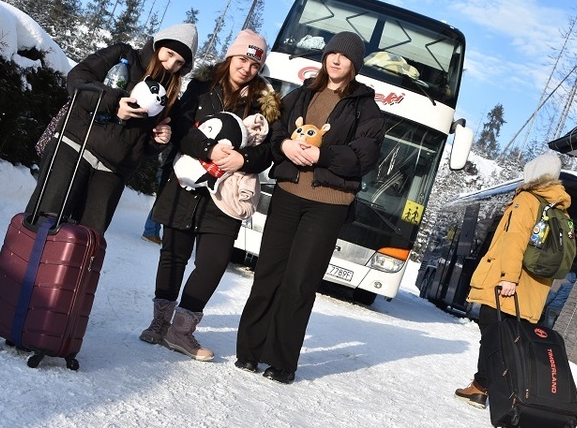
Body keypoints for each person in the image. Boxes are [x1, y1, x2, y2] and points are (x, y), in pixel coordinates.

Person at [235, 32, 387, 384]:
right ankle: (249, 351)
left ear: (354, 64)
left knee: (300, 282)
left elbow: (365, 155)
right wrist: (285, 144)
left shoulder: (366, 107)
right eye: (332, 52)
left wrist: (323, 155)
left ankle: (282, 362)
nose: (335, 60)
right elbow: (274, 133)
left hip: (328, 205)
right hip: (288, 195)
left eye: (344, 56)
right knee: (268, 273)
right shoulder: (300, 94)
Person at [139, 29, 282, 361]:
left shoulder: (266, 104)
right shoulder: (202, 87)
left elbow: (270, 153)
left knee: (213, 263)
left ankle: (181, 330)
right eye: (243, 60)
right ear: (231, 56)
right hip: (186, 183)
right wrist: (210, 148)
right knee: (173, 255)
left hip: (227, 194)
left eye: (254, 64)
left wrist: (242, 158)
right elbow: (181, 126)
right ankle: (160, 323)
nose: (246, 68)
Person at [26, 23, 199, 235]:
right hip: (75, 147)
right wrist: (114, 102)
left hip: (112, 172)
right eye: (169, 53)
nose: (171, 64)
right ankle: (25, 268)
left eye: (179, 62)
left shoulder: (169, 95)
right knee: (43, 224)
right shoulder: (122, 55)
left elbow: (142, 146)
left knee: (86, 241)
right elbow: (77, 79)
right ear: (158, 46)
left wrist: (158, 141)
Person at [455, 150, 571, 407]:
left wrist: (508, 277)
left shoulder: (527, 200)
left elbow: (514, 240)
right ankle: (506, 389)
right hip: (533, 292)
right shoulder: (559, 210)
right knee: (509, 340)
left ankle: (481, 386)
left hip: (508, 285)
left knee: (492, 334)